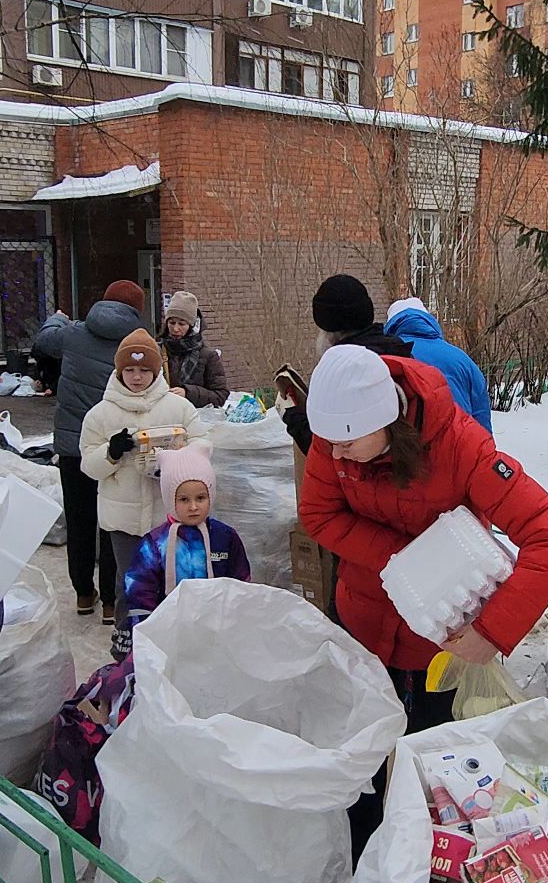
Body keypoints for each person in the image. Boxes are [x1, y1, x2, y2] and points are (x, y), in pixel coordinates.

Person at [297, 344, 548, 854]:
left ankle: (427, 865)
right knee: (359, 756)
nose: (333, 453)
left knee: (434, 762)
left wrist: (492, 632)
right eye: (327, 441)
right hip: (362, 620)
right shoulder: (335, 431)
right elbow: (318, 514)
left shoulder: (462, 446)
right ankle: (363, 869)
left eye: (346, 442)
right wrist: (405, 559)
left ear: (387, 421)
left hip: (443, 638)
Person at [35, 280, 149, 617]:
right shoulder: (136, 343)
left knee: (79, 519)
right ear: (136, 310)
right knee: (113, 522)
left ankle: (84, 594)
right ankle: (113, 604)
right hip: (117, 448)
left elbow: (44, 341)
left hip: (73, 447)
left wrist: (57, 318)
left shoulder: (74, 333)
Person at [77, 328, 204, 624]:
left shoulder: (178, 408)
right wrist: (111, 452)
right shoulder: (100, 414)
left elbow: (204, 444)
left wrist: (177, 458)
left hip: (168, 515)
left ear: (156, 371)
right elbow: (88, 465)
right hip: (122, 518)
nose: (137, 377)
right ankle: (127, 645)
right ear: (119, 371)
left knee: (172, 579)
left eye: (145, 370)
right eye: (130, 370)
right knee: (130, 582)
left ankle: (171, 639)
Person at [109, 441, 250, 660]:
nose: (193, 507)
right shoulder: (155, 543)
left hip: (217, 631)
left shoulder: (225, 537)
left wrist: (236, 621)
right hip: (168, 634)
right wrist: (149, 630)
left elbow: (240, 580)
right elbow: (139, 589)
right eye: (184, 499)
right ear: (169, 498)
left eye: (200, 498)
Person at [280, 274, 413, 453]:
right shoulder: (399, 352)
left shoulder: (348, 375)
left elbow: (332, 445)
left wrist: (292, 416)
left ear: (329, 334)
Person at [385, 296, 493, 432]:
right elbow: (481, 418)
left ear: (391, 324)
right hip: (458, 444)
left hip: (406, 447)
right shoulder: (462, 359)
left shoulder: (387, 358)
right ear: (429, 321)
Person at [158, 291, 229, 408]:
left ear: (191, 326)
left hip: (194, 419)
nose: (175, 329)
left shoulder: (208, 356)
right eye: (172, 322)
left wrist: (188, 393)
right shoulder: (156, 351)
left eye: (182, 324)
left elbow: (220, 395)